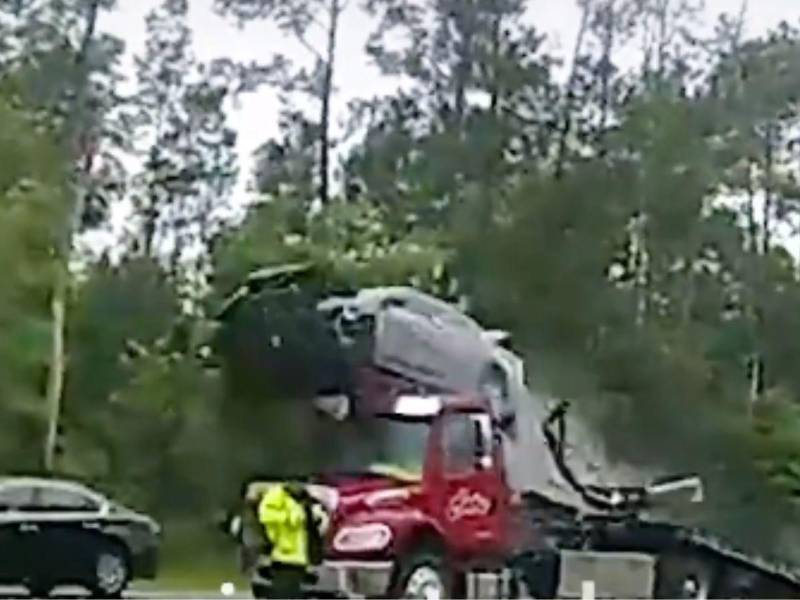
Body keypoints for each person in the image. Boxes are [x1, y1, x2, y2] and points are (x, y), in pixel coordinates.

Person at [257, 481, 327, 598]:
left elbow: (312, 526)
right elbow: (265, 515)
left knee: (296, 591)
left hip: (302, 557)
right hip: (283, 555)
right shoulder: (277, 495)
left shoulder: (307, 499)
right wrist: (289, 517)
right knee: (284, 591)